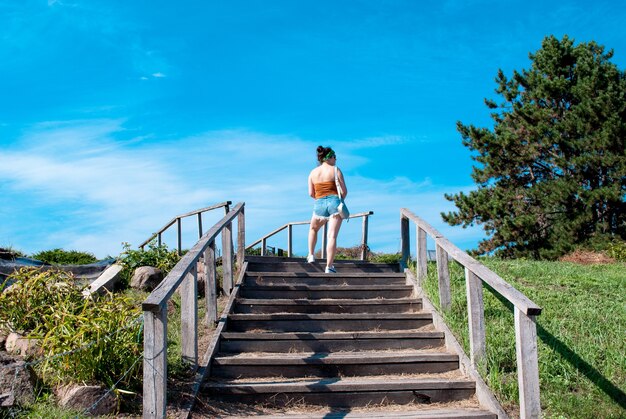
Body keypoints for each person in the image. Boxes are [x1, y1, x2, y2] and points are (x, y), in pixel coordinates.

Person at [307, 146, 347, 273]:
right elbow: (344, 191)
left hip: (319, 203)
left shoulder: (313, 173)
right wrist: (339, 201)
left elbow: (310, 193)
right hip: (334, 202)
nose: (336, 159)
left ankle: (311, 255)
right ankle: (329, 267)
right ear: (329, 158)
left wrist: (320, 199)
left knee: (313, 229)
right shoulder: (335, 170)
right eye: (334, 156)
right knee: (332, 236)